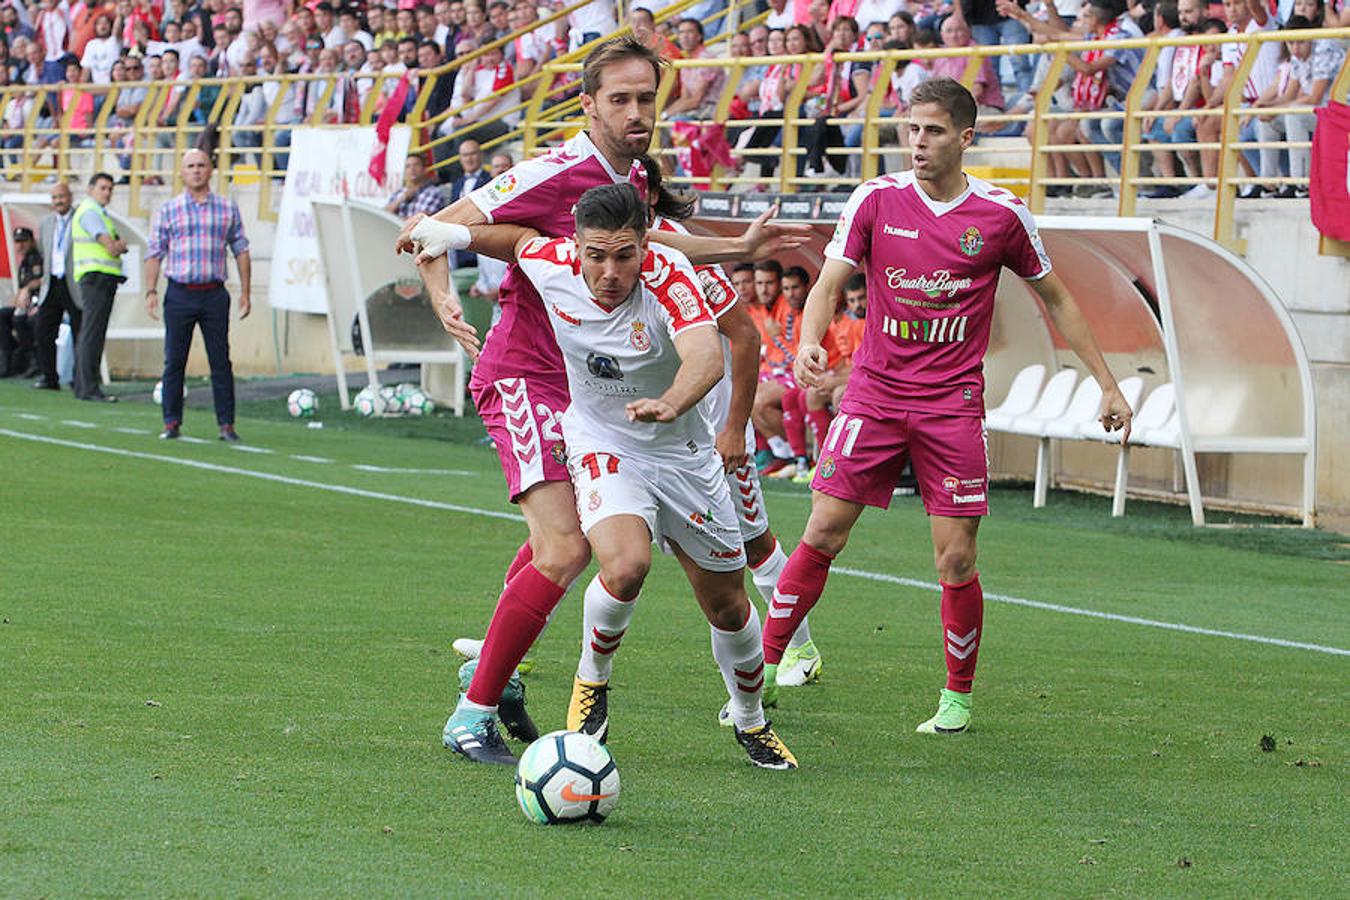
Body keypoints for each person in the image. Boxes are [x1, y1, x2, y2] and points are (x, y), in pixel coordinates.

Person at [398, 36, 808, 765]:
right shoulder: (560, 168)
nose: (636, 110)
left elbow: (655, 245)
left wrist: (738, 247)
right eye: (619, 99)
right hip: (525, 374)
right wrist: (442, 298)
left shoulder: (632, 176)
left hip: (583, 386)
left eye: (646, 97)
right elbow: (435, 229)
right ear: (588, 104)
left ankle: (491, 669)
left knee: (563, 547)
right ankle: (472, 713)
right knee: (565, 547)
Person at [759, 78, 1133, 736]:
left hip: (951, 405)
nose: (917, 143)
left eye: (931, 131)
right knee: (823, 531)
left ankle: (957, 699)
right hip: (874, 395)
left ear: (965, 137)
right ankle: (755, 677)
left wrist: (1106, 382)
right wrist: (810, 343)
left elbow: (1060, 299)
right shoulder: (875, 200)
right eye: (910, 129)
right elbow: (828, 282)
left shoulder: (1001, 216)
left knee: (955, 558)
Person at [143, 149, 252, 443]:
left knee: (220, 360)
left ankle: (226, 424)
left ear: (211, 170)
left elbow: (240, 248)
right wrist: (151, 291)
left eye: (201, 165)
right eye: (190, 166)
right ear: (181, 172)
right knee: (174, 360)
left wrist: (246, 291)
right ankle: (171, 421)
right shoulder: (169, 209)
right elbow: (155, 253)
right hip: (180, 293)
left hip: (214, 294)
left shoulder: (227, 208)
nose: (196, 171)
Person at [70, 172, 126, 403]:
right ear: (90, 189)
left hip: (97, 277)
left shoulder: (97, 213)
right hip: (97, 277)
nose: (107, 192)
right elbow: (110, 246)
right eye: (103, 188)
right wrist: (119, 245)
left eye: (110, 188)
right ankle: (88, 387)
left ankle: (84, 385)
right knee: (93, 333)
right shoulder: (91, 212)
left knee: (90, 333)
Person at [31, 180, 79, 391]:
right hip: (52, 282)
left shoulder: (80, 218)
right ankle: (49, 376)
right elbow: (44, 250)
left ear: (71, 197)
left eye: (62, 196)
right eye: (55, 198)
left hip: (73, 283)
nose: (58, 201)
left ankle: (79, 378)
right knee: (44, 331)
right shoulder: (46, 222)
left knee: (80, 332)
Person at [0, 226, 43, 377]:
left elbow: (43, 280)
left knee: (21, 319)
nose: (20, 245)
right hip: (26, 305)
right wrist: (16, 300)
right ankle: (7, 358)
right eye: (17, 242)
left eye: (24, 241)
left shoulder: (38, 258)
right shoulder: (24, 264)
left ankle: (32, 360)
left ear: (31, 241)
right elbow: (21, 288)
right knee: (3, 315)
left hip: (41, 304)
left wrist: (27, 289)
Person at [385, 154, 445, 220]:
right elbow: (384, 215)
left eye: (416, 165)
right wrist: (402, 198)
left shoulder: (434, 192)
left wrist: (396, 220)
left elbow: (421, 219)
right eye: (408, 166)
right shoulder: (399, 192)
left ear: (424, 169)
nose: (412, 169)